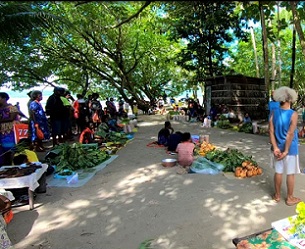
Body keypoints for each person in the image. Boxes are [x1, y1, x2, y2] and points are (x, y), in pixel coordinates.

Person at [269, 86, 301, 206]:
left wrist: (276, 147)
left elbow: (271, 131)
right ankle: (290, 198)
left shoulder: (274, 113)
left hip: (277, 149)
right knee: (290, 173)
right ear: (290, 99)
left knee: (278, 171)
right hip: (290, 149)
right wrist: (286, 150)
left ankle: (277, 195)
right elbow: (290, 133)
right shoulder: (293, 114)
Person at [0, 92, 20, 166]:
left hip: (10, 131)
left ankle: (12, 163)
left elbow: (11, 118)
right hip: (2, 132)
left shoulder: (11, 108)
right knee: (3, 148)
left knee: (11, 148)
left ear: (4, 98)